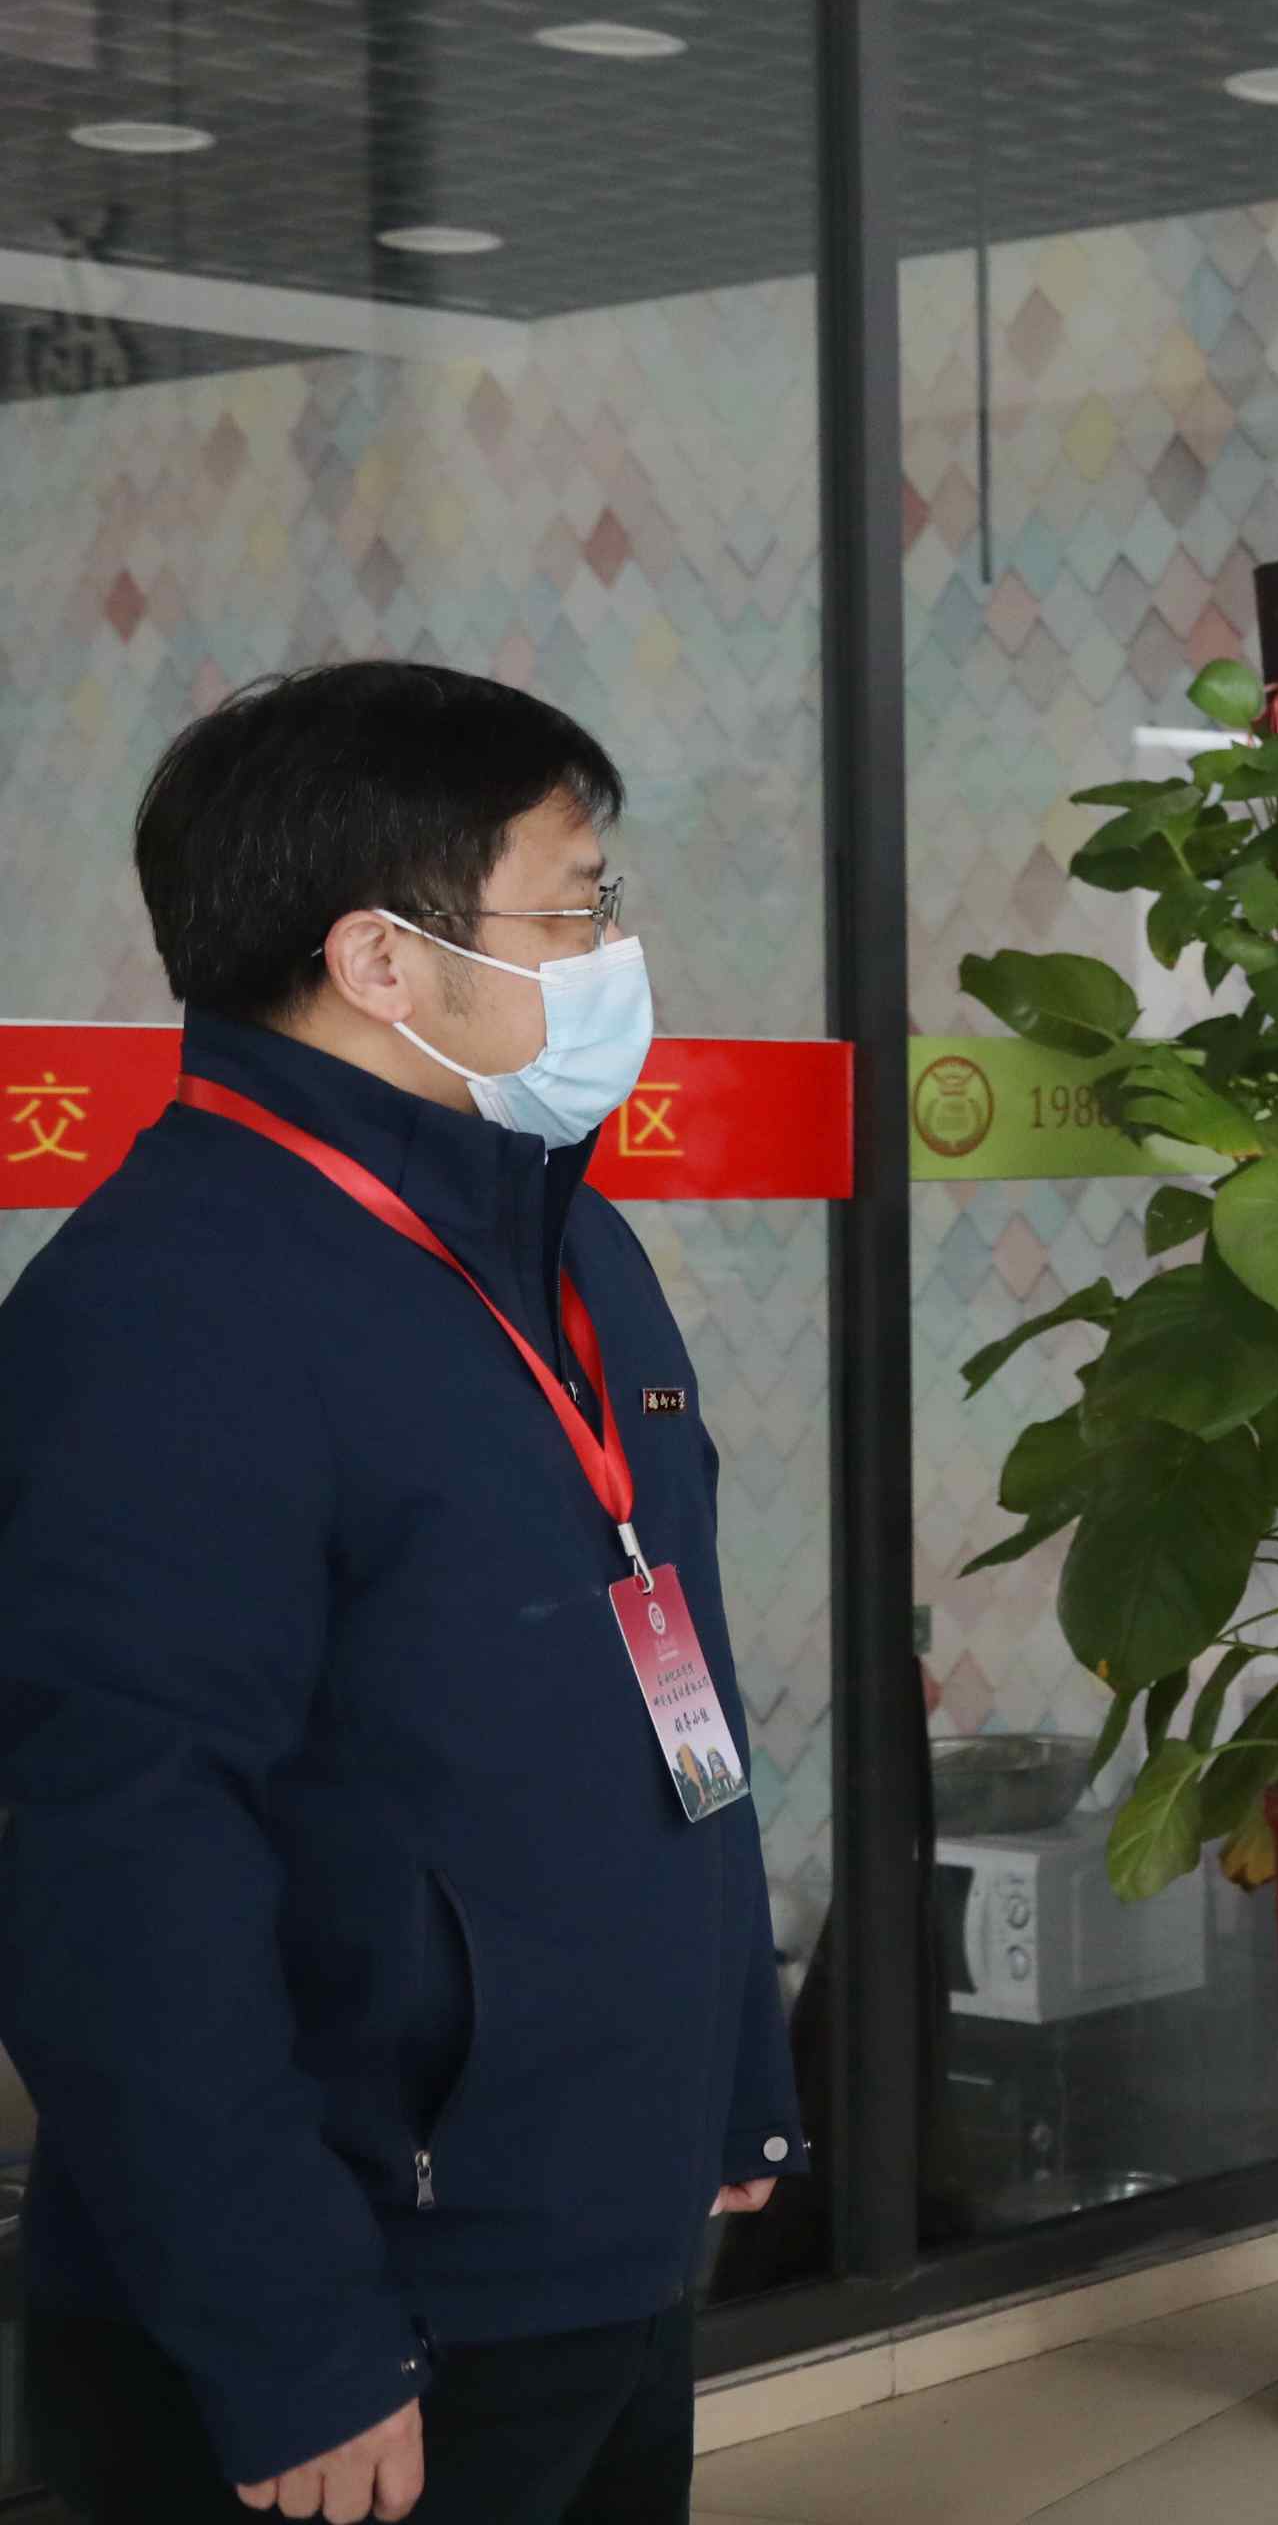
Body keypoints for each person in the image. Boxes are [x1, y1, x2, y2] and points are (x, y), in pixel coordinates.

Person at [0, 664, 801, 2525]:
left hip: (597, 2238)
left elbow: (671, 1667)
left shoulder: (560, 1242)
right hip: (364, 2308)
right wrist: (288, 2335)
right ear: (381, 960)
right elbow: (115, 1867)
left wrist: (729, 2063)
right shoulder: (167, 1316)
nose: (614, 953)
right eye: (574, 908)